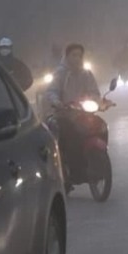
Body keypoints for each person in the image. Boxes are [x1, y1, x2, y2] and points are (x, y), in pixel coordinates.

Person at [45, 44, 103, 186]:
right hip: (64, 114)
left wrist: (98, 100)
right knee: (72, 136)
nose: (77, 58)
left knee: (101, 126)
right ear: (67, 56)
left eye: (79, 55)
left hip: (83, 112)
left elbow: (94, 91)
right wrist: (57, 102)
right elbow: (51, 91)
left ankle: (99, 163)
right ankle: (75, 172)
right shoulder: (60, 73)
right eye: (74, 55)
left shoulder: (86, 73)